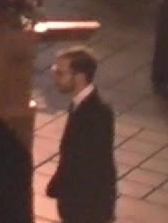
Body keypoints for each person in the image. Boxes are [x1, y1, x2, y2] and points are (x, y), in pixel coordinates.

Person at [46, 46, 117, 223]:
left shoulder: (97, 114)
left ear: (79, 76)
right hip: (79, 203)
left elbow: (93, 164)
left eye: (60, 73)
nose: (55, 78)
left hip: (86, 206)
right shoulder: (81, 105)